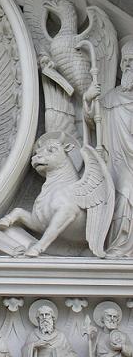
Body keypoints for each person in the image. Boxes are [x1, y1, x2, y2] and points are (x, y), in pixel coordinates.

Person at [85, 39, 133, 256]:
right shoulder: (111, 98)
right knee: (124, 193)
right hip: (118, 163)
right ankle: (119, 247)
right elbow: (92, 120)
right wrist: (88, 100)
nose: (129, 66)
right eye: (126, 62)